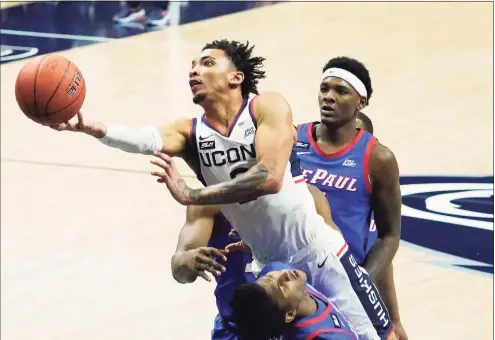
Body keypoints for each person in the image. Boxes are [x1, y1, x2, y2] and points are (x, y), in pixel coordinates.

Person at [50, 40, 377, 339]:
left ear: (235, 77)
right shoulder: (192, 133)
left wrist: (193, 194)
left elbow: (271, 177)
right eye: (192, 65)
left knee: (374, 336)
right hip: (271, 271)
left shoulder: (266, 107)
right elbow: (147, 139)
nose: (194, 69)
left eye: (207, 63)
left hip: (318, 252)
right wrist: (98, 130)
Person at [172, 149, 344, 339]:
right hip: (238, 326)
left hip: (293, 327)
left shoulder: (307, 197)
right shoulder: (208, 203)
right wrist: (185, 262)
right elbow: (181, 271)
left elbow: (339, 263)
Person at [295, 57, 406, 339]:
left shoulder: (379, 158)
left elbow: (389, 236)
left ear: (361, 102)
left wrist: (361, 283)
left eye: (341, 91)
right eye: (324, 88)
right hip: (294, 278)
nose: (328, 97)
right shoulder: (292, 139)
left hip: (347, 280)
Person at [227, 261, 359, 340]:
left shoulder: (275, 270)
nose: (284, 273)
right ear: (290, 314)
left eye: (271, 276)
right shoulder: (323, 337)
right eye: (283, 287)